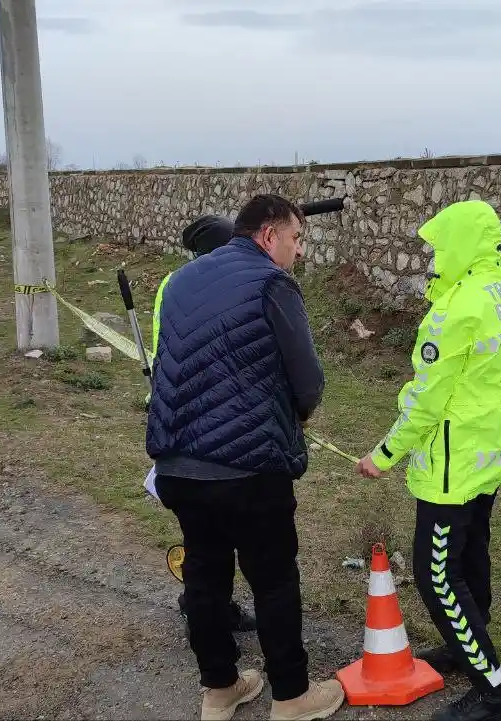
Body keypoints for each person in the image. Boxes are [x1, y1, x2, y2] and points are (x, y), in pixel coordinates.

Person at [148, 193, 345, 721]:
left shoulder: (180, 281)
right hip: (249, 468)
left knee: (205, 574)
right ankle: (292, 696)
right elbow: (308, 378)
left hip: (179, 464)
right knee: (274, 576)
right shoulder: (272, 283)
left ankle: (220, 688)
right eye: (296, 238)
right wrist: (298, 417)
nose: (299, 251)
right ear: (267, 236)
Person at [356, 199, 501, 721]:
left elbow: (428, 399)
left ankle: (494, 691)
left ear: (460, 244)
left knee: (437, 577)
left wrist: (385, 454)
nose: (432, 256)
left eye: (437, 246)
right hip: (492, 451)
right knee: (472, 551)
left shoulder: (455, 310)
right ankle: (464, 648)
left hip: (454, 463)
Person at [150, 213, 258, 634]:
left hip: (178, 420)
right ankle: (209, 608)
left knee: (206, 532)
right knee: (216, 529)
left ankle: (204, 605)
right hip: (204, 421)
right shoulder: (206, 287)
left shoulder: (177, 283)